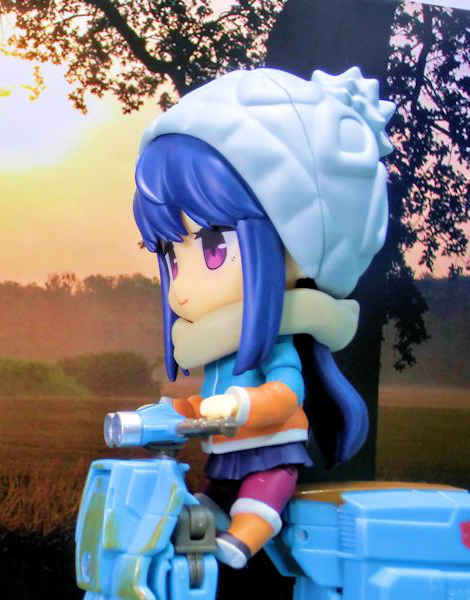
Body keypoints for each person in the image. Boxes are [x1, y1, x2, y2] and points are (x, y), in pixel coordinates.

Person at [132, 67, 395, 569]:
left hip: (272, 451)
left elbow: (287, 393)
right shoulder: (218, 350)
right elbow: (201, 402)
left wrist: (239, 405)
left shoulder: (272, 344)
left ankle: (243, 537)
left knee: (262, 495)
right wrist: (175, 413)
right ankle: (194, 566)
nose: (181, 286)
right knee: (200, 507)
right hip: (225, 455)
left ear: (297, 247)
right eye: (169, 256)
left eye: (213, 247)